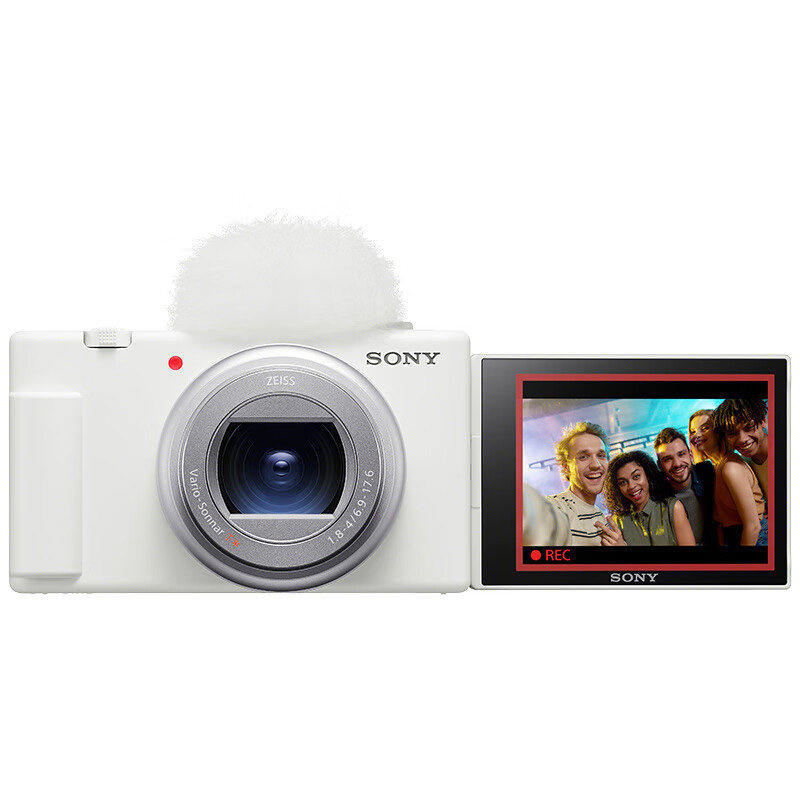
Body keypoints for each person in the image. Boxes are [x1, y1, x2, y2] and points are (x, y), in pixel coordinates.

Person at [688, 409, 765, 546]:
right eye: (693, 431)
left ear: (719, 432)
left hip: (754, 538)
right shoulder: (716, 466)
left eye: (705, 428)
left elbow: (753, 527)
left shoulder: (731, 467)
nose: (696, 435)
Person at [597, 451, 695, 546]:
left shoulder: (673, 508)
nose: (631, 486)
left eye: (636, 477)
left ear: (647, 475)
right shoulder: (618, 521)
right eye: (623, 482)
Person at [713, 399, 769, 545]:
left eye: (749, 427)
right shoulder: (744, 461)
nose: (742, 439)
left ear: (763, 421)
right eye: (732, 433)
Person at [546, 422, 610, 546]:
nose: (596, 464)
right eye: (583, 457)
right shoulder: (554, 508)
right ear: (566, 467)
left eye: (601, 455)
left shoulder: (599, 514)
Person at [653, 427, 715, 545]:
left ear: (691, 455)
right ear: (660, 465)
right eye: (668, 459)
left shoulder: (707, 473)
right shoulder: (657, 496)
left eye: (681, 454)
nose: (677, 464)